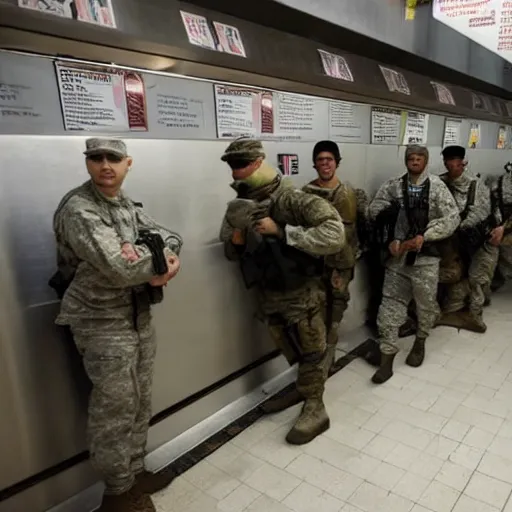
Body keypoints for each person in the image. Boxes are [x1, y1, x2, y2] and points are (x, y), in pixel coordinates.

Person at [51, 138, 183, 512]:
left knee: (139, 399)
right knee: (115, 408)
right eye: (96, 158)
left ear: (128, 164)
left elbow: (172, 237)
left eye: (113, 158)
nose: (105, 165)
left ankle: (136, 472)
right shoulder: (80, 209)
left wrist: (160, 258)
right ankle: (117, 493)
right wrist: (150, 261)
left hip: (137, 315)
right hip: (101, 321)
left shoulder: (125, 204)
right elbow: (120, 267)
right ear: (88, 163)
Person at [219, 138, 344, 445]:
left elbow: (335, 233)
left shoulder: (292, 199)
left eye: (244, 165)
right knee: (294, 348)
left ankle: (316, 406)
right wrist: (237, 233)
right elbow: (231, 251)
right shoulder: (241, 202)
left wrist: (282, 232)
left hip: (302, 292)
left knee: (313, 350)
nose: (237, 172)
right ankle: (303, 389)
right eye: (233, 166)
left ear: (259, 162)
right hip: (269, 294)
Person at [366, 145, 459, 384]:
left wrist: (426, 236)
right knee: (389, 307)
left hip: (426, 259)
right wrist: (389, 231)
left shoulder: (437, 187)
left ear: (426, 161)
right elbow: (374, 208)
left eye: (419, 158)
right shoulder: (395, 185)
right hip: (397, 259)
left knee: (425, 305)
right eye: (410, 158)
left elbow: (452, 218)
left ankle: (420, 341)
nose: (414, 161)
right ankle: (387, 358)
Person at [302, 140, 367, 372]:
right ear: (315, 164)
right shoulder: (306, 193)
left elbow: (362, 227)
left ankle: (330, 349)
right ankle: (318, 350)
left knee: (337, 304)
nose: (325, 164)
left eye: (329, 159)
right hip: (313, 261)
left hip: (340, 262)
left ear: (336, 162)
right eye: (320, 160)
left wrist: (356, 253)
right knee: (315, 306)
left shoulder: (350, 193)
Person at [435, 146, 498, 333]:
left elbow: (479, 215)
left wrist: (455, 227)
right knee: (452, 277)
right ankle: (455, 306)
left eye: (456, 160)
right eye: (448, 161)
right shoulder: (440, 182)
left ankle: (474, 315)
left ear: (463, 161)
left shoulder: (476, 186)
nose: (452, 165)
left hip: (479, 241)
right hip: (454, 241)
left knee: (478, 277)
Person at [488, 162, 512, 292]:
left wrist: (504, 227)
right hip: (500, 225)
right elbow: (494, 205)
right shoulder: (499, 182)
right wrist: (497, 226)